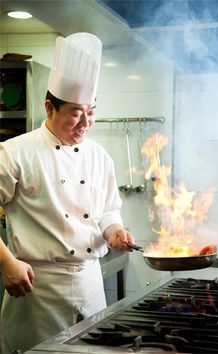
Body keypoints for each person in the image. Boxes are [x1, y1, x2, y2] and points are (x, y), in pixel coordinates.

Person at [0, 32, 134, 353]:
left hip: (90, 284)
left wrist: (114, 231)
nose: (85, 122)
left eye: (91, 111)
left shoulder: (99, 155)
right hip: (37, 290)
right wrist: (7, 263)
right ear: (50, 107)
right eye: (75, 112)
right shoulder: (15, 152)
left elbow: (108, 211)